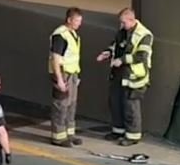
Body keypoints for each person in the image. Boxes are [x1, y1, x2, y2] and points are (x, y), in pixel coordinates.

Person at [95, 8, 153, 146]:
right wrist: (107, 52)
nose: (121, 26)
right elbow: (116, 45)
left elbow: (141, 56)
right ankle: (118, 130)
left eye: (123, 22)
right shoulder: (122, 31)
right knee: (115, 102)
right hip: (118, 74)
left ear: (132, 20)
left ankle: (133, 136)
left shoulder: (144, 35)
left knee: (130, 106)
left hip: (133, 75)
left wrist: (122, 60)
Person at [48, 8, 85, 147]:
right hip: (63, 74)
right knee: (61, 105)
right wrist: (59, 79)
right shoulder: (60, 35)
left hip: (72, 74)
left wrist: (76, 76)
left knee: (71, 104)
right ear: (69, 20)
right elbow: (55, 59)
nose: (79, 24)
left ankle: (69, 133)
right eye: (77, 21)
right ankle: (58, 136)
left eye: (80, 21)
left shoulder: (73, 34)